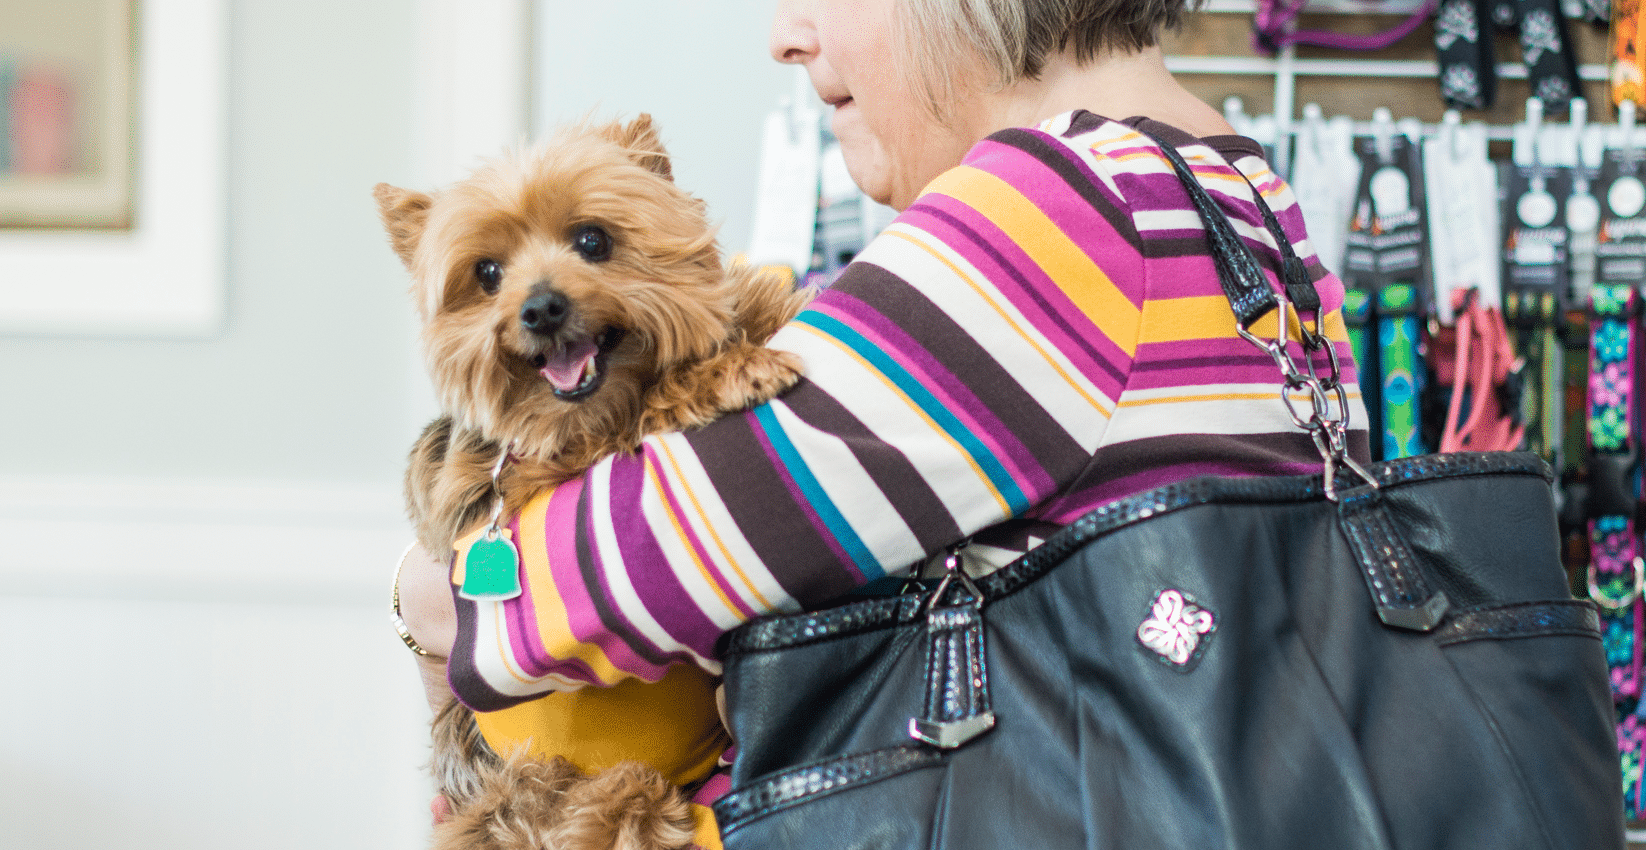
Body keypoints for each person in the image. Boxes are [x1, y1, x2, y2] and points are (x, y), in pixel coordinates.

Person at [397, 0, 1365, 819]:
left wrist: (424, 586)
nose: (785, 34)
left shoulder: (1047, 214)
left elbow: (627, 565)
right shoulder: (1236, 189)